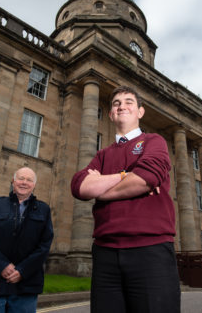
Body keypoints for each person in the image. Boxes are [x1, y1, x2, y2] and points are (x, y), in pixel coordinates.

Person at [71, 85, 180, 313]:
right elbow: (79, 186)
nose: (122, 106)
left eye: (129, 101)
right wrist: (124, 176)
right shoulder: (102, 155)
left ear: (140, 111)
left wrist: (100, 188)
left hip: (150, 250)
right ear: (111, 114)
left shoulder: (154, 141)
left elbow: (146, 177)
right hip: (105, 253)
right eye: (116, 103)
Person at [0, 167, 53, 313]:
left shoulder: (43, 210)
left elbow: (44, 245)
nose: (24, 182)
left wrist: (22, 270)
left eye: (29, 180)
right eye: (21, 178)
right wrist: (1, 265)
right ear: (13, 181)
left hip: (26, 285)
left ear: (34, 185)